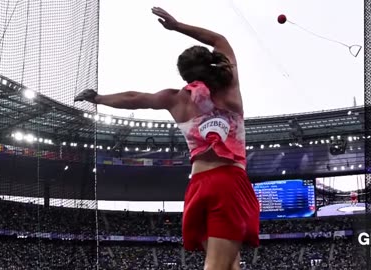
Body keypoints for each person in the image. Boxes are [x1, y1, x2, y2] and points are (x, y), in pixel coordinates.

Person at [75, 7, 259, 270]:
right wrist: (177, 26)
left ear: (183, 75)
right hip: (227, 183)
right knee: (218, 264)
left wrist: (98, 98)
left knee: (231, 263)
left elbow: (134, 98)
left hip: (198, 185)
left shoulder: (175, 99)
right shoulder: (229, 87)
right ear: (211, 63)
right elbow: (220, 40)